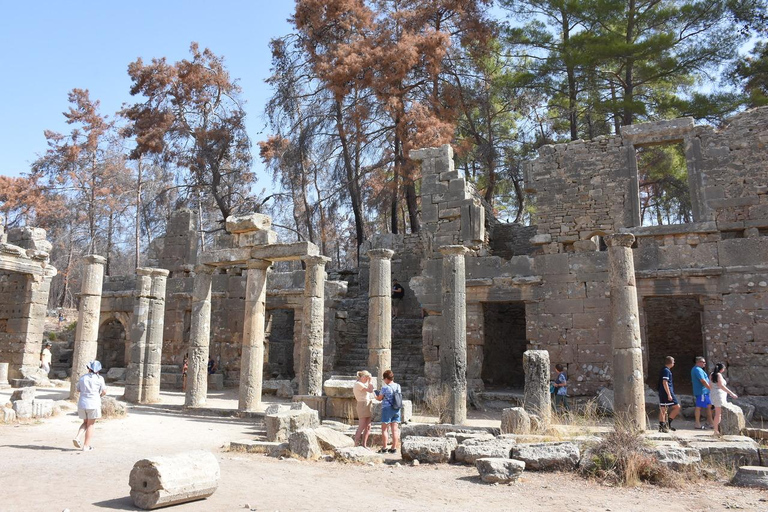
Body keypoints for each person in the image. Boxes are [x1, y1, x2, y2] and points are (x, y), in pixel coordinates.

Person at [73, 360, 107, 451]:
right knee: (90, 425)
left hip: (82, 403)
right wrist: (99, 395)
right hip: (94, 403)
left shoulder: (82, 378)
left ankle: (77, 437)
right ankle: (86, 446)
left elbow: (78, 390)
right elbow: (104, 391)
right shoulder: (100, 379)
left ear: (89, 368)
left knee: (85, 422)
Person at [375, 369, 402, 454]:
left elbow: (380, 398)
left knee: (384, 429)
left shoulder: (385, 387)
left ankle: (384, 447)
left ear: (386, 378)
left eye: (384, 379)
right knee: (395, 429)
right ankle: (394, 448)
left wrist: (375, 395)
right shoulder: (398, 386)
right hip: (396, 408)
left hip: (387, 408)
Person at [711, 362, 738, 437]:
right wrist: (731, 393)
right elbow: (721, 386)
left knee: (718, 413)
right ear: (722, 369)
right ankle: (716, 431)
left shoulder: (711, 374)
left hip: (714, 394)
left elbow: (710, 385)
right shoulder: (718, 375)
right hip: (719, 395)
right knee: (718, 414)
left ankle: (717, 430)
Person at [658, 356, 681, 433]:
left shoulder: (664, 369)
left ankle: (662, 426)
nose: (674, 363)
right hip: (666, 392)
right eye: (673, 362)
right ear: (671, 362)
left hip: (662, 391)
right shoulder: (666, 371)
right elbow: (665, 382)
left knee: (663, 408)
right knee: (677, 407)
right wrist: (669, 394)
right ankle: (667, 424)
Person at [353, 370, 375, 448]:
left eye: (367, 377)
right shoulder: (358, 384)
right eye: (365, 377)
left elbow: (371, 390)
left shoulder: (363, 384)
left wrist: (369, 381)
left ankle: (364, 444)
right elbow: (370, 390)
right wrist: (370, 381)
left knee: (368, 426)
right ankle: (356, 444)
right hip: (362, 404)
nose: (366, 378)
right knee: (361, 425)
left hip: (367, 404)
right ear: (361, 377)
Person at [691, 356, 714, 429]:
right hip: (702, 392)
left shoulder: (698, 369)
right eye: (703, 362)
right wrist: (710, 388)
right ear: (698, 362)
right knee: (699, 407)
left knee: (709, 406)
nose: (705, 363)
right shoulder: (698, 370)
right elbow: (703, 380)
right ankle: (697, 424)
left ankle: (710, 422)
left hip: (704, 392)